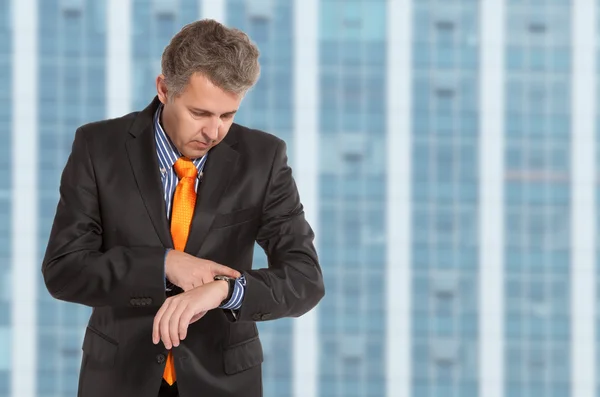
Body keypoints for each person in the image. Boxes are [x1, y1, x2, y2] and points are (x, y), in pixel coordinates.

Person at [41, 19, 324, 397]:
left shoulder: (263, 158)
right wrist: (163, 264)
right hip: (119, 379)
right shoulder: (98, 148)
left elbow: (305, 278)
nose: (214, 133)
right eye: (200, 113)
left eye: (228, 116)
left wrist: (226, 290)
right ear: (163, 89)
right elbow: (64, 269)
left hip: (224, 381)